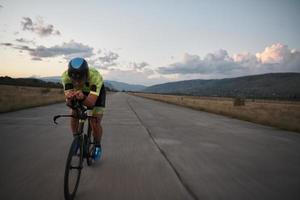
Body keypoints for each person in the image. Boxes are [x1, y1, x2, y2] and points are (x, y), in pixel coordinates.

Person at [61, 57, 106, 160]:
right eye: (74, 80)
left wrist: (83, 97)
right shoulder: (65, 77)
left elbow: (91, 103)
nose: (77, 83)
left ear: (86, 75)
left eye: (80, 79)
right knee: (74, 112)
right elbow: (69, 103)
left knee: (94, 121)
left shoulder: (95, 77)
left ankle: (97, 145)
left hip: (95, 94)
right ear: (70, 76)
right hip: (78, 93)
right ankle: (76, 140)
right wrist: (70, 100)